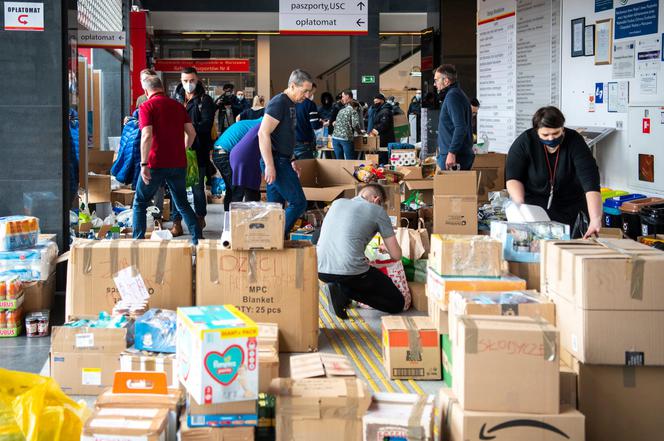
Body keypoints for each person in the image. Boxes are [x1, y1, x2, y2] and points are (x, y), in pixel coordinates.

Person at [506, 106, 602, 238]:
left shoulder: (575, 142)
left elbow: (590, 182)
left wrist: (595, 219)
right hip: (535, 210)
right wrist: (520, 206)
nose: (551, 138)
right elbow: (513, 177)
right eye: (545, 135)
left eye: (556, 133)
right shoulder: (525, 142)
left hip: (570, 206)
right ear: (536, 131)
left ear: (563, 128)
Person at [317, 184, 405, 319]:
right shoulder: (377, 211)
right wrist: (387, 248)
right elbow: (396, 255)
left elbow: (318, 238)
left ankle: (338, 288)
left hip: (321, 270)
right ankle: (343, 291)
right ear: (376, 199)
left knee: (354, 275)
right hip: (350, 272)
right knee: (397, 303)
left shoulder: (336, 203)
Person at [133, 76, 201, 243]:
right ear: (162, 88)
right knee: (182, 203)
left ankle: (138, 243)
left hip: (155, 163)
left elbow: (146, 135)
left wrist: (143, 163)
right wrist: (182, 149)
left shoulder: (146, 106)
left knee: (140, 203)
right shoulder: (178, 106)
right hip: (178, 163)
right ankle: (198, 240)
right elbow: (191, 133)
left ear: (146, 91)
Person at [258, 69, 311, 235]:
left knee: (275, 209)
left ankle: (273, 245)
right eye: (305, 91)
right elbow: (263, 133)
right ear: (293, 86)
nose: (307, 95)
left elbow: (286, 136)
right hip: (276, 162)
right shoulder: (279, 103)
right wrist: (269, 165)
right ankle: (275, 238)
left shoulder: (291, 104)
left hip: (283, 160)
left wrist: (293, 158)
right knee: (298, 203)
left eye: (309, 91)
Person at [170, 67, 215, 236]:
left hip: (198, 151)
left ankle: (199, 218)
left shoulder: (205, 100)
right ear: (180, 81)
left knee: (197, 188)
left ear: (197, 80)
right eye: (185, 81)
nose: (188, 84)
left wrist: (186, 128)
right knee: (176, 187)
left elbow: (206, 125)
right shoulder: (176, 99)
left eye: (192, 80)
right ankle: (177, 223)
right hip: (178, 150)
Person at [212, 117, 263, 211]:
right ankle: (232, 221)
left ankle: (229, 221)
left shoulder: (254, 123)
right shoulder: (262, 126)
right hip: (225, 153)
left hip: (221, 152)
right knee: (236, 189)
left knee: (233, 189)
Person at [434, 64, 474, 170]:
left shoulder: (453, 96)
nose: (435, 84)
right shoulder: (456, 94)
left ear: (446, 81)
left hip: (454, 157)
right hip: (454, 154)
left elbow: (461, 127)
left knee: (450, 187)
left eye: (436, 80)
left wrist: (451, 153)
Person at [230, 124, 263, 203]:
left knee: (247, 189)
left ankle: (238, 212)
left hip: (241, 154)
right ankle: (245, 213)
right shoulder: (268, 123)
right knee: (250, 189)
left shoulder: (260, 122)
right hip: (244, 156)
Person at [294, 82, 321, 159]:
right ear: (308, 90)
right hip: (304, 144)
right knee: (306, 170)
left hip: (291, 142)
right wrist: (321, 123)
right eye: (313, 92)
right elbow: (315, 125)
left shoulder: (293, 103)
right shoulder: (310, 104)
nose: (312, 94)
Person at [331, 90, 361, 160]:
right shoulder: (353, 111)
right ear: (355, 107)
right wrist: (360, 132)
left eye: (343, 96)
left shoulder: (341, 110)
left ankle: (340, 171)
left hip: (335, 138)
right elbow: (355, 125)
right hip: (345, 138)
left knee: (339, 160)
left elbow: (336, 123)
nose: (342, 98)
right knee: (349, 160)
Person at [370, 94, 395, 163]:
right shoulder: (380, 110)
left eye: (376, 101)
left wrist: (375, 130)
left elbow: (384, 124)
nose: (375, 103)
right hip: (382, 136)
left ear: (382, 101)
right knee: (382, 154)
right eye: (374, 102)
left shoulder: (385, 111)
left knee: (383, 155)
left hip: (385, 137)